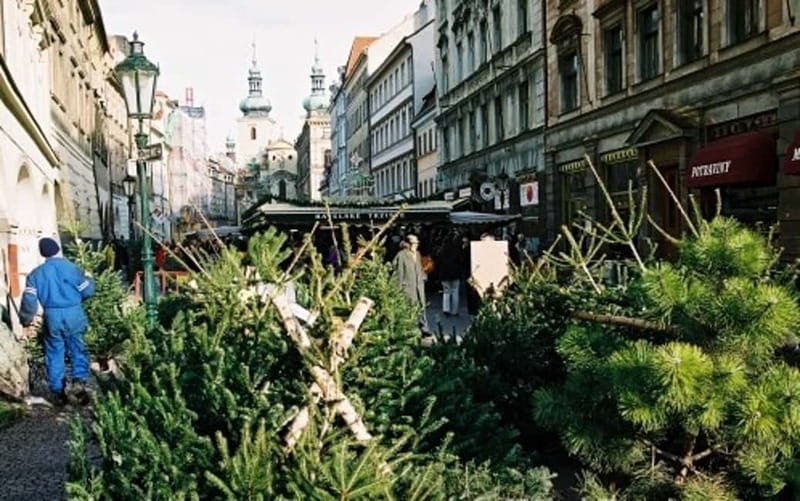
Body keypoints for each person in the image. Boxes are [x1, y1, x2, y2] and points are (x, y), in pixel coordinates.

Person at [19, 237, 95, 406]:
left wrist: (25, 319)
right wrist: (89, 279)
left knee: (54, 353)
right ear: (57, 249)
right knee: (78, 349)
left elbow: (29, 301)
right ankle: (79, 382)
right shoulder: (72, 268)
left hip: (52, 316)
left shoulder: (36, 274)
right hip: (74, 313)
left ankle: (58, 391)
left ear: (42, 253)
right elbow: (88, 291)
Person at [394, 234, 430, 334]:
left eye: (417, 243)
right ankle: (412, 329)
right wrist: (399, 287)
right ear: (408, 244)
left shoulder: (417, 254)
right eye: (414, 243)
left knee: (421, 305)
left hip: (419, 284)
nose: (416, 245)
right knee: (411, 307)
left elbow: (419, 267)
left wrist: (423, 277)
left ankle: (424, 327)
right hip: (408, 286)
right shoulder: (401, 255)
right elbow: (399, 272)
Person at [438, 235, 463, 316]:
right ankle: (455, 311)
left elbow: (438, 262)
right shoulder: (456, 250)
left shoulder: (441, 251)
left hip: (444, 275)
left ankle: (446, 309)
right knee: (455, 292)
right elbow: (461, 261)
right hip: (455, 274)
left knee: (446, 292)